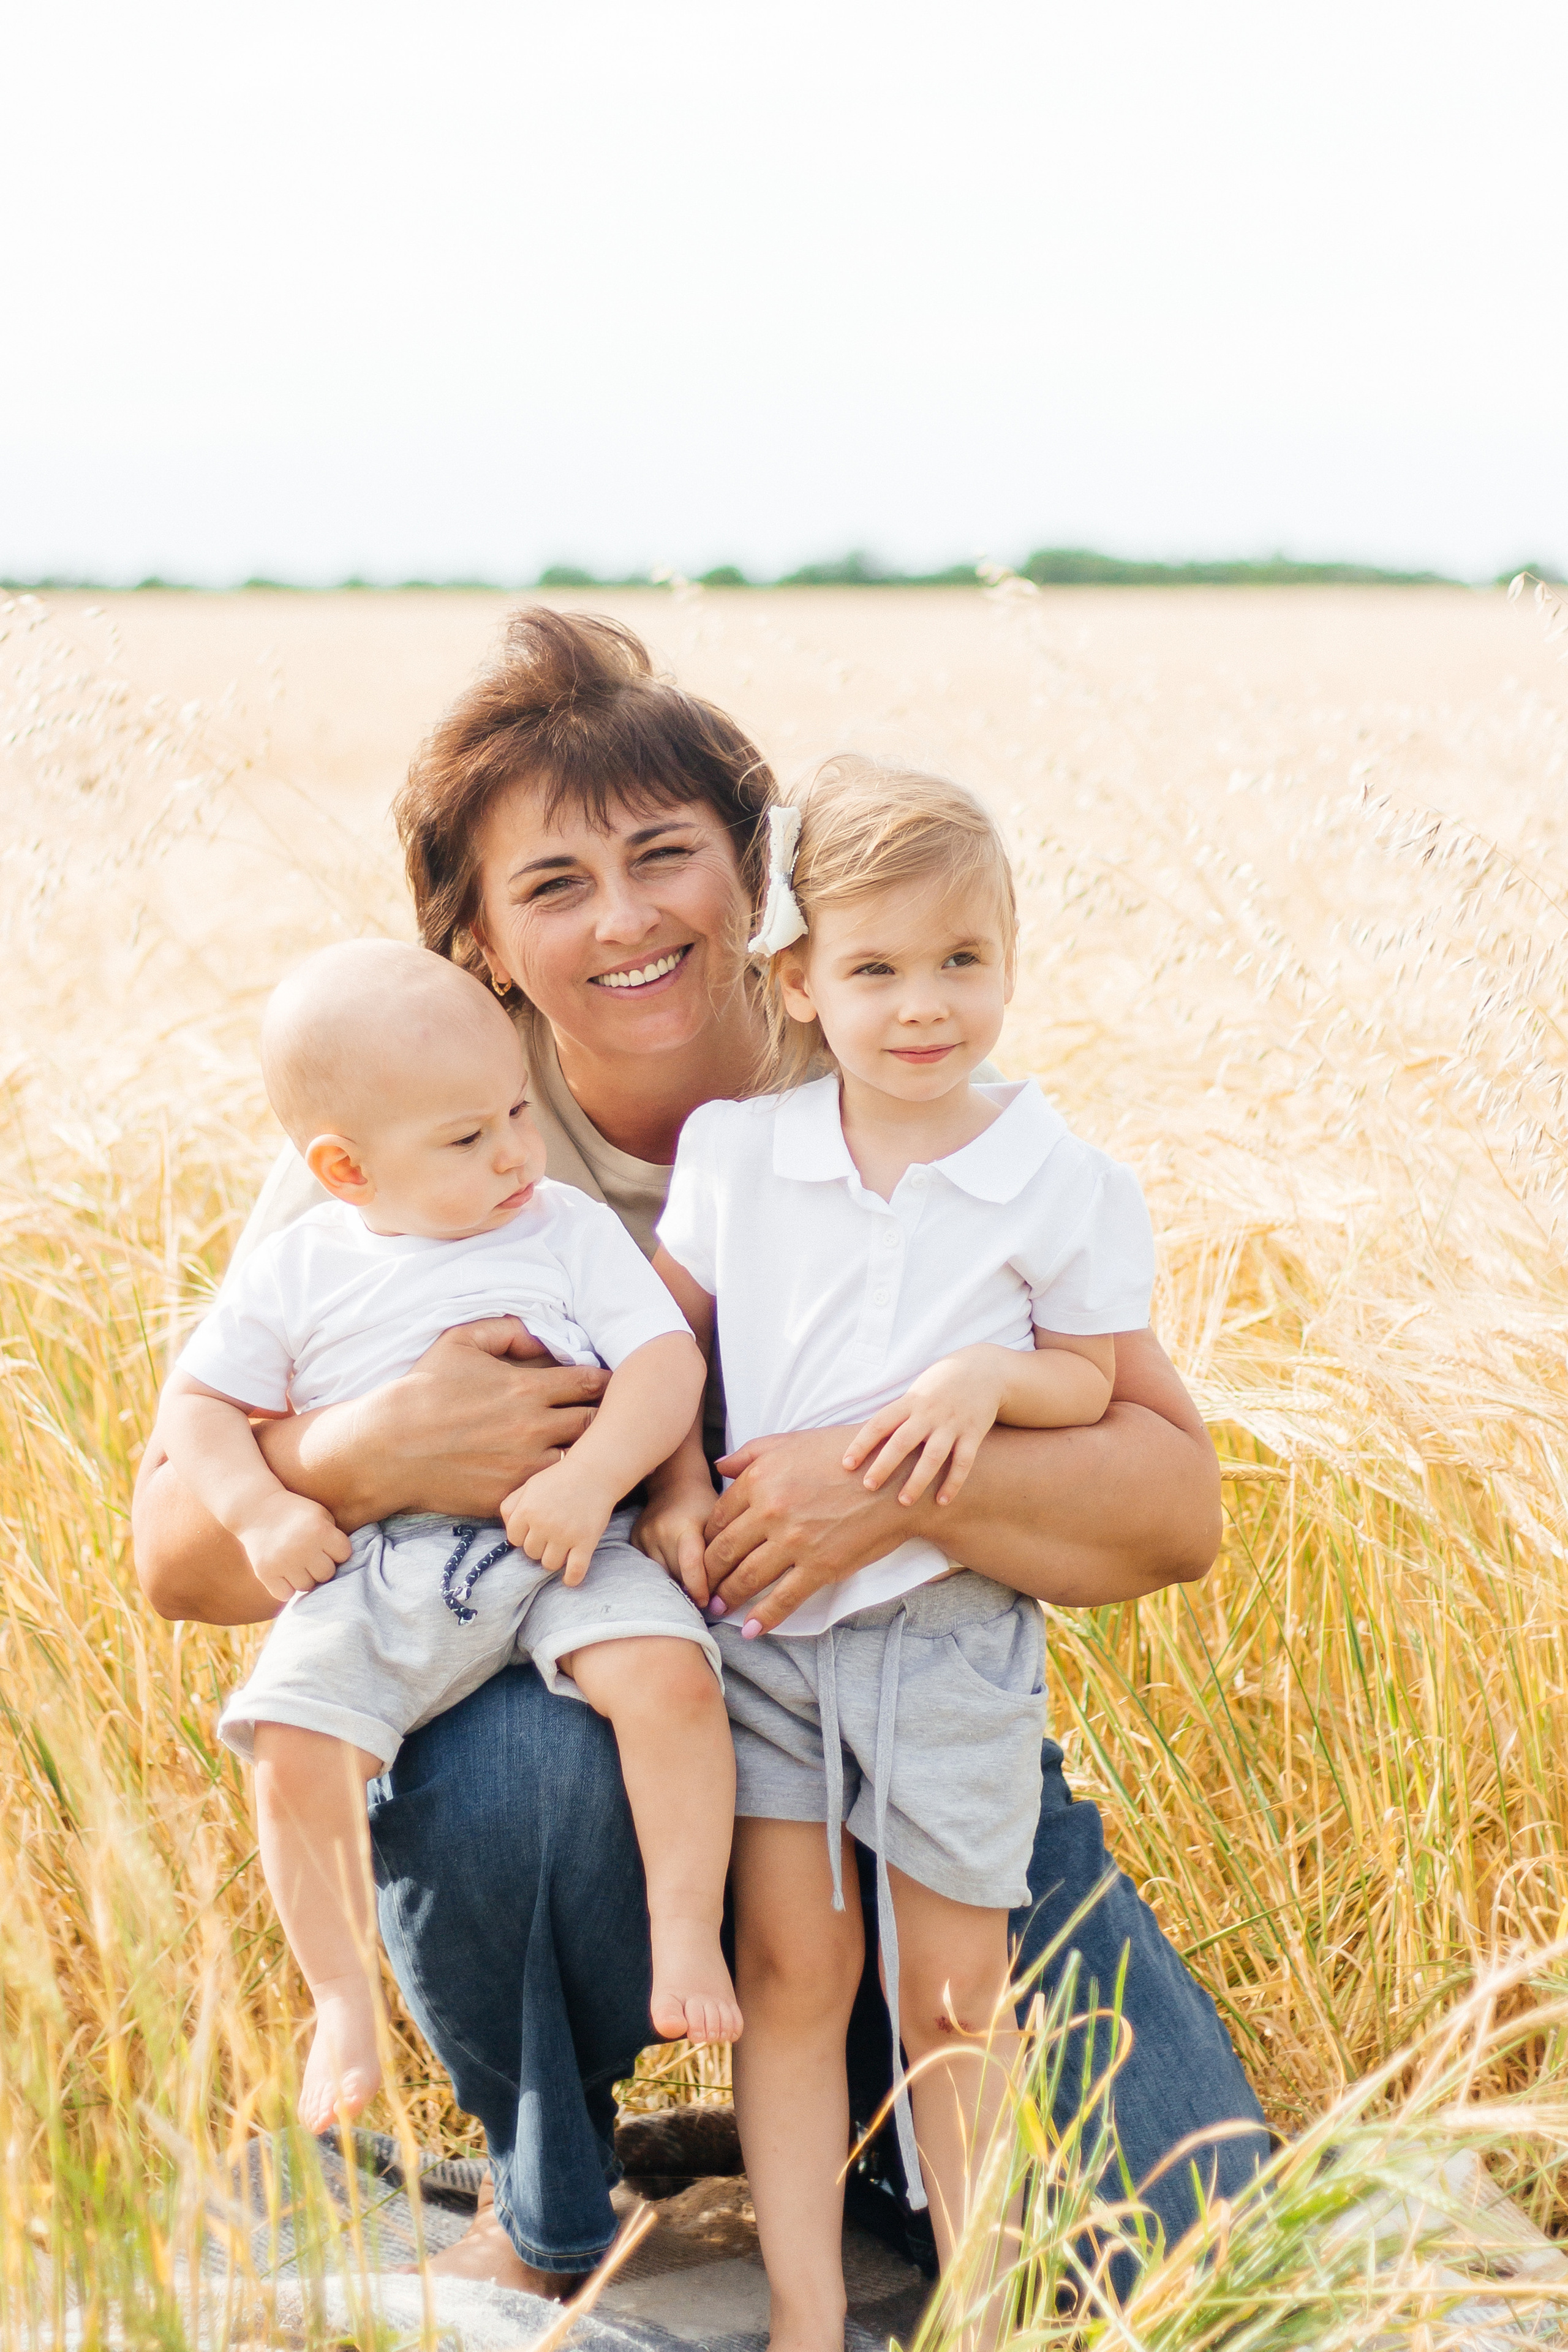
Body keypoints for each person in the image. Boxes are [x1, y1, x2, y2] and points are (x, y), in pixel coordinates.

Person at [132, 608, 1268, 2304]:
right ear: (483, 948)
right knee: (515, 1763)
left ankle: (862, 2141)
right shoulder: (414, 1140)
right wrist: (361, 1454)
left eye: (666, 856)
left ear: (759, 885)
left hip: (901, 1729)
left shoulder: (890, 1074)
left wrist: (880, 1479)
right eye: (553, 887)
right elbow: (175, 1552)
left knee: (1192, 2245)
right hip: (605, 1723)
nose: (628, 919)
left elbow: (1173, 1509)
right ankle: (558, 2187)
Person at [641, 761, 1152, 2344]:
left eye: (961, 963)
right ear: (798, 981)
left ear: (1007, 961)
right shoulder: (740, 1153)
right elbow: (668, 1345)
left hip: (947, 1637)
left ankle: (980, 2310)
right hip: (770, 1629)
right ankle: (807, 2310)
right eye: (874, 969)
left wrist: (988, 1379)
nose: (924, 1006)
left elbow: (1095, 1378)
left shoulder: (1059, 1177)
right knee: (793, 1970)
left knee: (951, 1997)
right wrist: (666, 1485)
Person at [156, 938, 738, 2134]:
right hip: (379, 1565)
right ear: (345, 1169)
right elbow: (198, 1411)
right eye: (467, 1140)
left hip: (569, 1537)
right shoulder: (301, 1268)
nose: (517, 1153)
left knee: (671, 1683)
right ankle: (341, 1999)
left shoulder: (563, 1229)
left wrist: (591, 1481)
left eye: (518, 1111)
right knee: (295, 1747)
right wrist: (270, 1507)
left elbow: (661, 1363)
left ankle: (685, 1932)